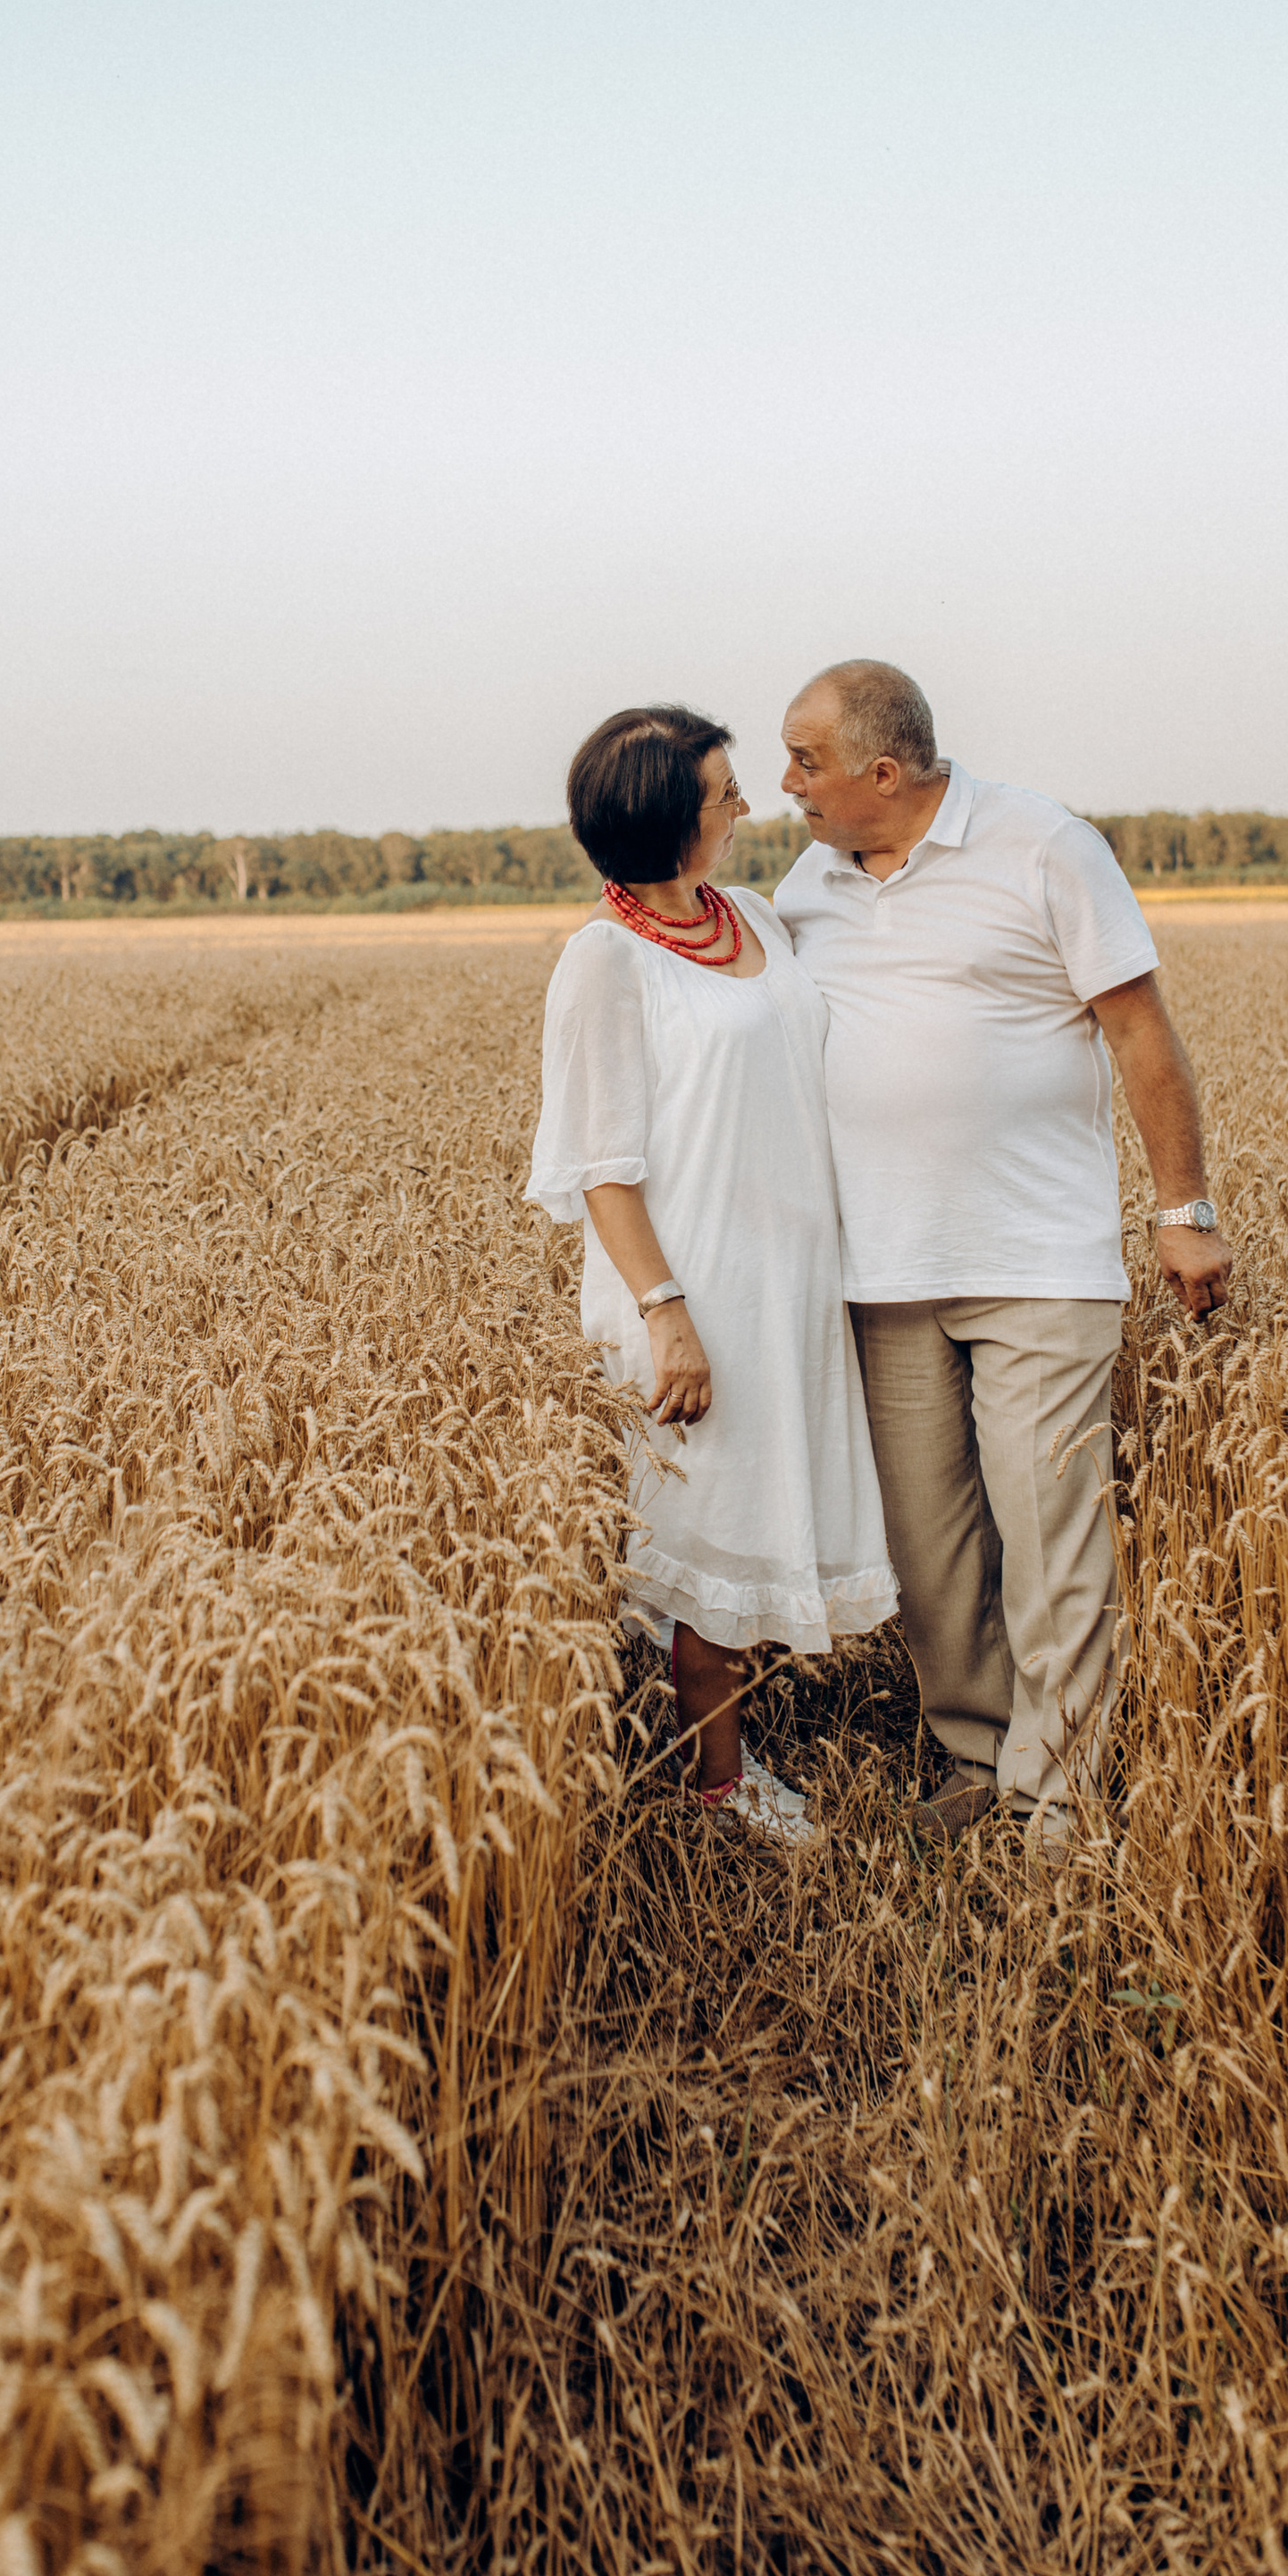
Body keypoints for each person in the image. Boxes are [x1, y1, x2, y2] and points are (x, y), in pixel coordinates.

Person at [775, 660, 1232, 1863]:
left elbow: (1139, 1028)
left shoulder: (1043, 846)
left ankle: (1063, 1807)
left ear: (883, 772)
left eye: (805, 762)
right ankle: (978, 1762)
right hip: (878, 1268)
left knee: (1051, 1543)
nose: (788, 786)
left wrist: (1183, 1206)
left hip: (1036, 1259)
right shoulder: (811, 878)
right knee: (930, 1555)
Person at [527, 703, 898, 1846]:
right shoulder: (603, 962)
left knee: (758, 1504)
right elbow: (601, 1167)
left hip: (786, 1272)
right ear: (668, 817)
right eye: (726, 792)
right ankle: (717, 1789)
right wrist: (666, 1314)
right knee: (708, 1534)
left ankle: (721, 1762)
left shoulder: (748, 917)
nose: (747, 805)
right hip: (692, 1286)